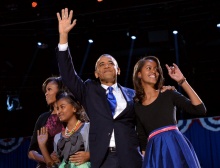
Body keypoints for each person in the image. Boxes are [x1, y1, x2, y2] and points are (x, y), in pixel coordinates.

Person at [55, 8, 174, 168]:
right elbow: (68, 74)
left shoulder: (133, 94)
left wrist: (162, 93)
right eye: (101, 64)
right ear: (96, 73)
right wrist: (63, 37)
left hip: (131, 157)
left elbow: (146, 118)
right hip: (103, 159)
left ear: (118, 70)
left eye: (111, 63)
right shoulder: (88, 90)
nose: (106, 66)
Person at [132, 56, 207, 168]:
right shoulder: (136, 106)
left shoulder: (168, 93)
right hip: (155, 152)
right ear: (139, 74)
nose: (154, 71)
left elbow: (200, 110)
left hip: (175, 145)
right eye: (149, 68)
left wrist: (182, 81)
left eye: (156, 69)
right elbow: (142, 139)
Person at [28, 76, 89, 167]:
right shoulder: (43, 119)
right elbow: (31, 151)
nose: (46, 93)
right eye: (45, 91)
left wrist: (89, 155)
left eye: (49, 89)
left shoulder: (83, 123)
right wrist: (45, 157)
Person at [37, 91, 90, 168]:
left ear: (74, 108)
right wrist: (42, 146)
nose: (58, 112)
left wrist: (90, 155)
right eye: (57, 108)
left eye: (62, 107)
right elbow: (52, 166)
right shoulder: (58, 138)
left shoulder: (88, 128)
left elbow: (106, 150)